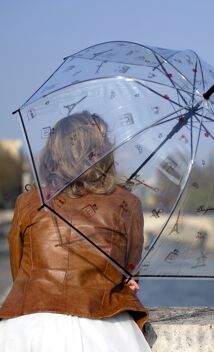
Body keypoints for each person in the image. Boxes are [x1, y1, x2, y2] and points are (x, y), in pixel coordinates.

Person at [0, 111, 151, 351]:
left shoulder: (27, 202)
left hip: (30, 328)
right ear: (103, 151)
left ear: (53, 151)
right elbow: (130, 272)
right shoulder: (128, 203)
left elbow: (20, 272)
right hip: (105, 328)